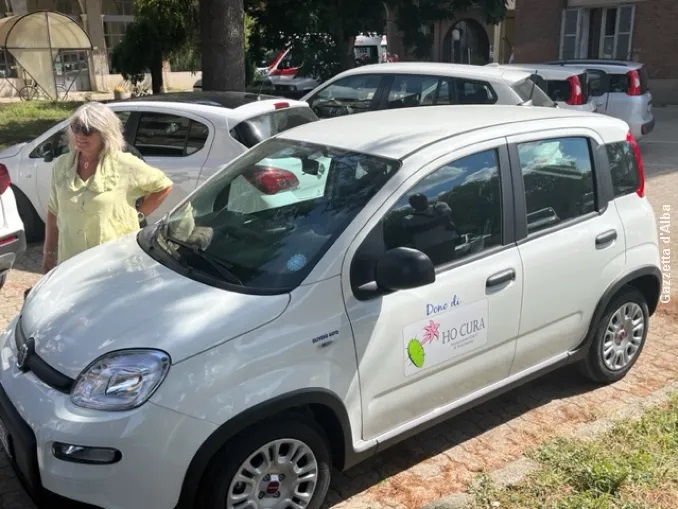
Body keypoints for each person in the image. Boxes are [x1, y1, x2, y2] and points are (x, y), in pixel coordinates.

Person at [42, 102, 173, 274]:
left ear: (105, 132)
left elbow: (163, 186)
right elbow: (53, 211)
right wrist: (49, 253)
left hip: (113, 261)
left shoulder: (124, 163)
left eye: (87, 130)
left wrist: (139, 214)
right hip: (71, 261)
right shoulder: (61, 165)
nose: (79, 135)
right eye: (76, 128)